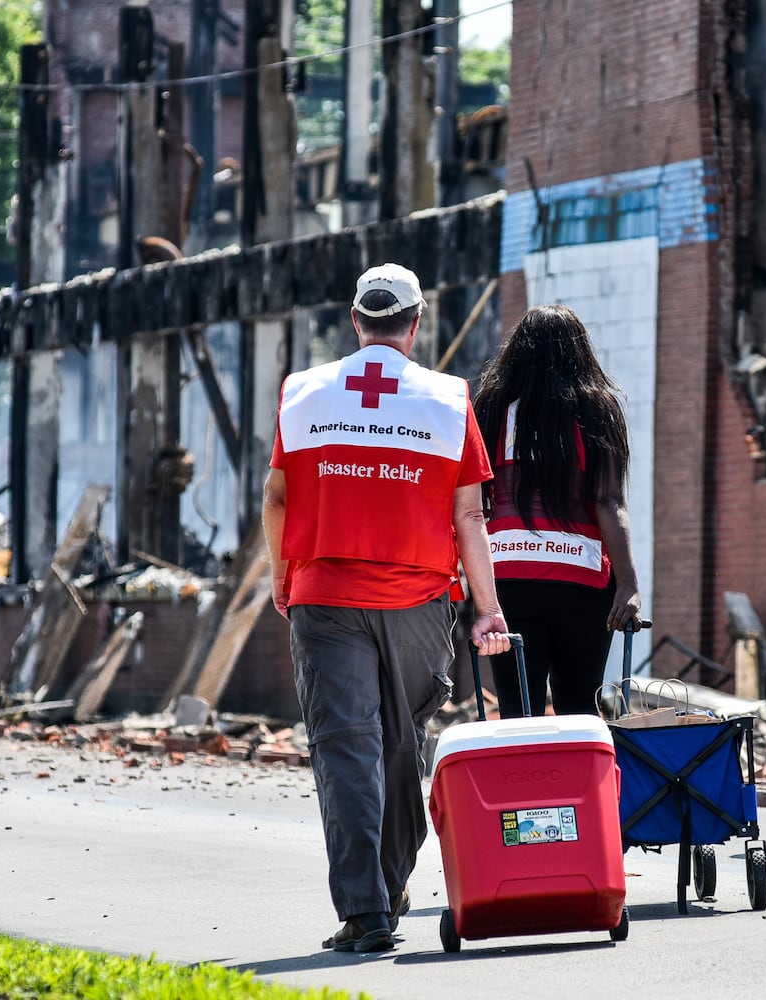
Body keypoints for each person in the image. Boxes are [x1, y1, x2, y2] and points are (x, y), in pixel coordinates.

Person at [263, 263, 511, 952]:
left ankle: (367, 910)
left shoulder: (303, 393)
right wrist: (487, 611)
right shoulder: (448, 400)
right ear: (416, 321)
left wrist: (282, 578)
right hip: (418, 603)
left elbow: (277, 498)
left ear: (354, 321)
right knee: (399, 745)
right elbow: (470, 518)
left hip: (325, 599)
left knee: (346, 749)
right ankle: (385, 888)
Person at [472, 304, 642, 717]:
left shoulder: (492, 407)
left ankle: (521, 782)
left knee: (517, 709)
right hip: (580, 580)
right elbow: (608, 500)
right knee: (579, 708)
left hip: (507, 579)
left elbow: (472, 502)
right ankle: (578, 784)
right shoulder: (597, 408)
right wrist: (629, 585)